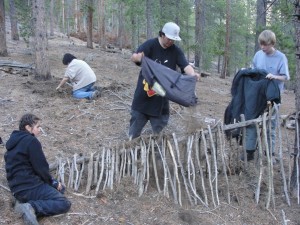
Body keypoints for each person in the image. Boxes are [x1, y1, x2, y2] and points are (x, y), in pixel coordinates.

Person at [129, 22, 200, 140]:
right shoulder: (150, 45)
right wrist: (136, 58)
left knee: (158, 138)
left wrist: (193, 74)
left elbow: (185, 66)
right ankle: (132, 157)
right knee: (133, 135)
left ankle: (156, 157)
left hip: (161, 101)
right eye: (169, 38)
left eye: (173, 39)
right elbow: (135, 57)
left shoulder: (176, 51)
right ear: (162, 34)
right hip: (142, 99)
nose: (171, 42)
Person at [4, 113, 71, 224]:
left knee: (54, 191)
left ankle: (22, 203)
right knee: (63, 202)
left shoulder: (12, 144)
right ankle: (32, 207)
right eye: (37, 126)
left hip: (16, 190)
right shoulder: (31, 141)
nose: (40, 129)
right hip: (30, 187)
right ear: (28, 127)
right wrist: (53, 183)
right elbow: (41, 168)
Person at [245, 29, 290, 162]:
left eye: (265, 44)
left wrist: (274, 76)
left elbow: (285, 77)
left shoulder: (280, 57)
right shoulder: (258, 55)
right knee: (252, 123)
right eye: (261, 44)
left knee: (270, 126)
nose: (263, 47)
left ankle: (270, 154)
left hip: (273, 98)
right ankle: (249, 152)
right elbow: (254, 70)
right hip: (257, 96)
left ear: (272, 43)